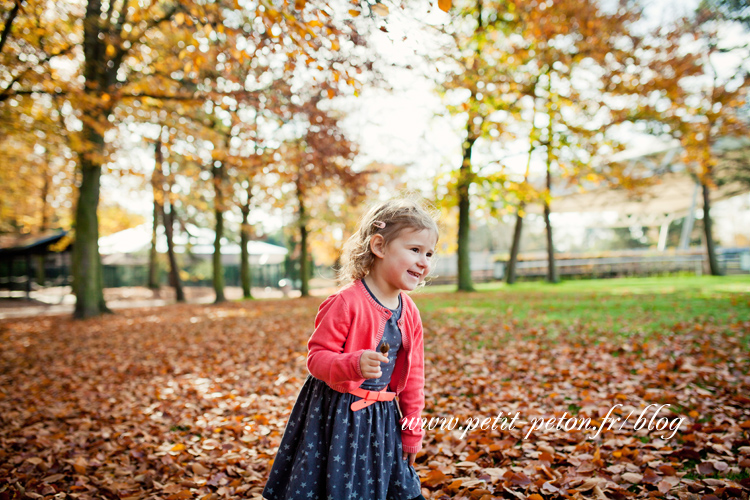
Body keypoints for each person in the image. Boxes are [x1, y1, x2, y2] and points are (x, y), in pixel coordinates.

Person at [262, 198, 439, 500]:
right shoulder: (345, 303)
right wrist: (353, 363)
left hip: (383, 419)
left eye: (429, 253)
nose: (424, 262)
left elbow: (414, 379)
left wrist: (411, 432)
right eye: (414, 250)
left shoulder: (409, 312)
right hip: (338, 418)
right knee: (342, 489)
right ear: (380, 246)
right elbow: (317, 359)